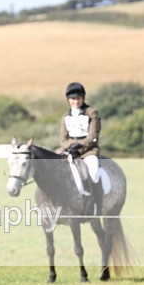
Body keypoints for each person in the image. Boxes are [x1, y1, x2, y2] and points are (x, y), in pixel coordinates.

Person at [58, 82, 102, 215]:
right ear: (68, 100)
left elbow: (93, 136)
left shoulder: (91, 113)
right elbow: (62, 139)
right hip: (70, 151)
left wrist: (79, 147)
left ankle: (96, 203)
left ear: (83, 98)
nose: (75, 101)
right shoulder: (66, 117)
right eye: (72, 99)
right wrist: (70, 147)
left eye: (78, 98)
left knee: (93, 173)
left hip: (88, 151)